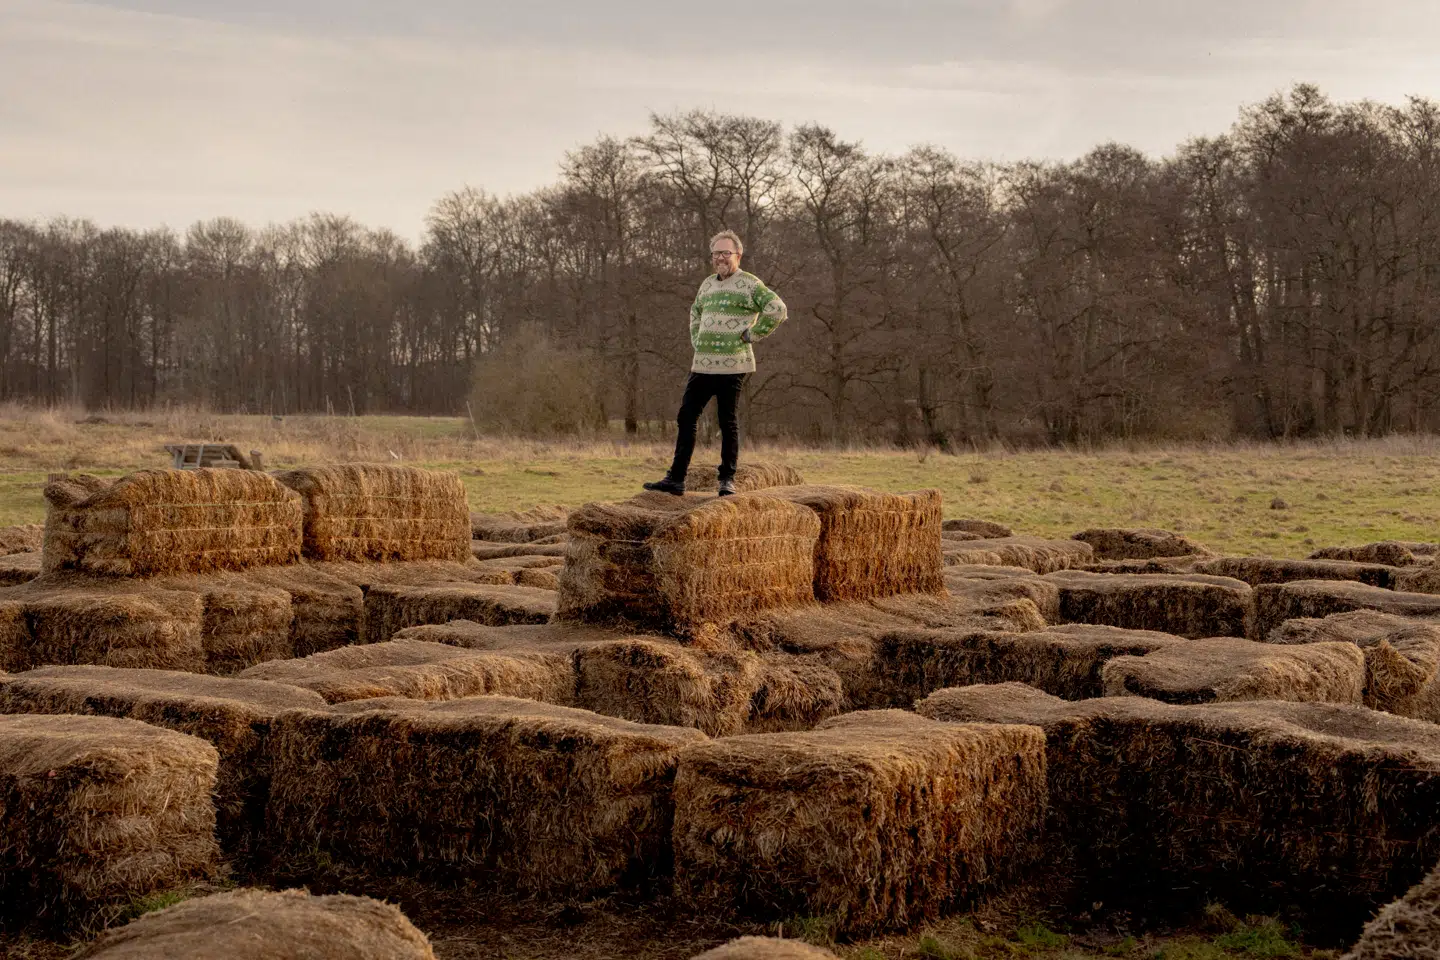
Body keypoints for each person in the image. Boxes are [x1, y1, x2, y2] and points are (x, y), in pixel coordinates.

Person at [643, 230, 788, 496]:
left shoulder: (750, 284)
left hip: (733, 366)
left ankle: (727, 480)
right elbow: (695, 311)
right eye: (716, 253)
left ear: (738, 255)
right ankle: (676, 480)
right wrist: (697, 339)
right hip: (702, 365)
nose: (721, 257)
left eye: (726, 253)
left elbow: (777, 309)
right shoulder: (708, 284)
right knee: (686, 416)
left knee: (727, 421)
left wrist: (754, 334)